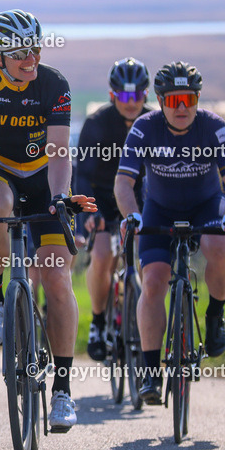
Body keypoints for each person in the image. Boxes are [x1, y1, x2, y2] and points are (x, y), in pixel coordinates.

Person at [0, 9, 94, 432]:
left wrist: (62, 197)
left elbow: (60, 151)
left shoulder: (54, 84)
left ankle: (63, 389)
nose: (29, 61)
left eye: (34, 51)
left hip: (45, 176)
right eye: (18, 55)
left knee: (56, 278)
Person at [116, 62, 225, 404]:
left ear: (197, 99)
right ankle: (150, 371)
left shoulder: (214, 127)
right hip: (158, 210)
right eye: (174, 101)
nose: (182, 107)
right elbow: (124, 183)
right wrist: (132, 216)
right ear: (160, 102)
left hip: (205, 205)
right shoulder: (144, 129)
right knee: (155, 281)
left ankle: (215, 315)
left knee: (221, 243)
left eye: (188, 99)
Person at [77, 58, 151, 361]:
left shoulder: (154, 123)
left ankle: (145, 326)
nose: (131, 103)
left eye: (137, 96)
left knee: (150, 262)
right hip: (102, 200)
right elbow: (81, 174)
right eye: (124, 96)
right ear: (112, 95)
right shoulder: (97, 123)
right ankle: (97, 322)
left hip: (140, 198)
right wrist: (89, 214)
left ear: (147, 95)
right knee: (104, 254)